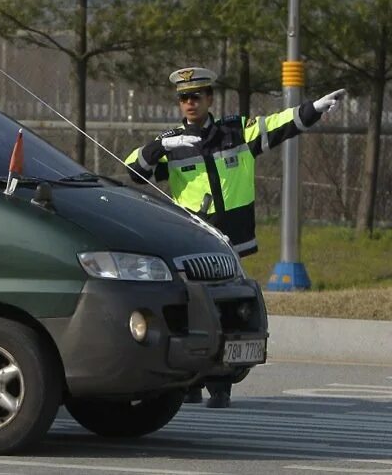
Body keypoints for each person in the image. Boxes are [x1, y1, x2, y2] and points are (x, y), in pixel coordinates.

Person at [124, 67, 345, 408]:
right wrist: (159, 147)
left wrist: (312, 109)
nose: (190, 103)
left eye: (196, 96)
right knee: (190, 311)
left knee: (228, 312)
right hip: (191, 246)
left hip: (229, 243)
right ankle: (191, 381)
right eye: (184, 98)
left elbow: (278, 124)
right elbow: (133, 171)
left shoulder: (235, 132)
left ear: (210, 98)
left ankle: (221, 383)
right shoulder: (173, 143)